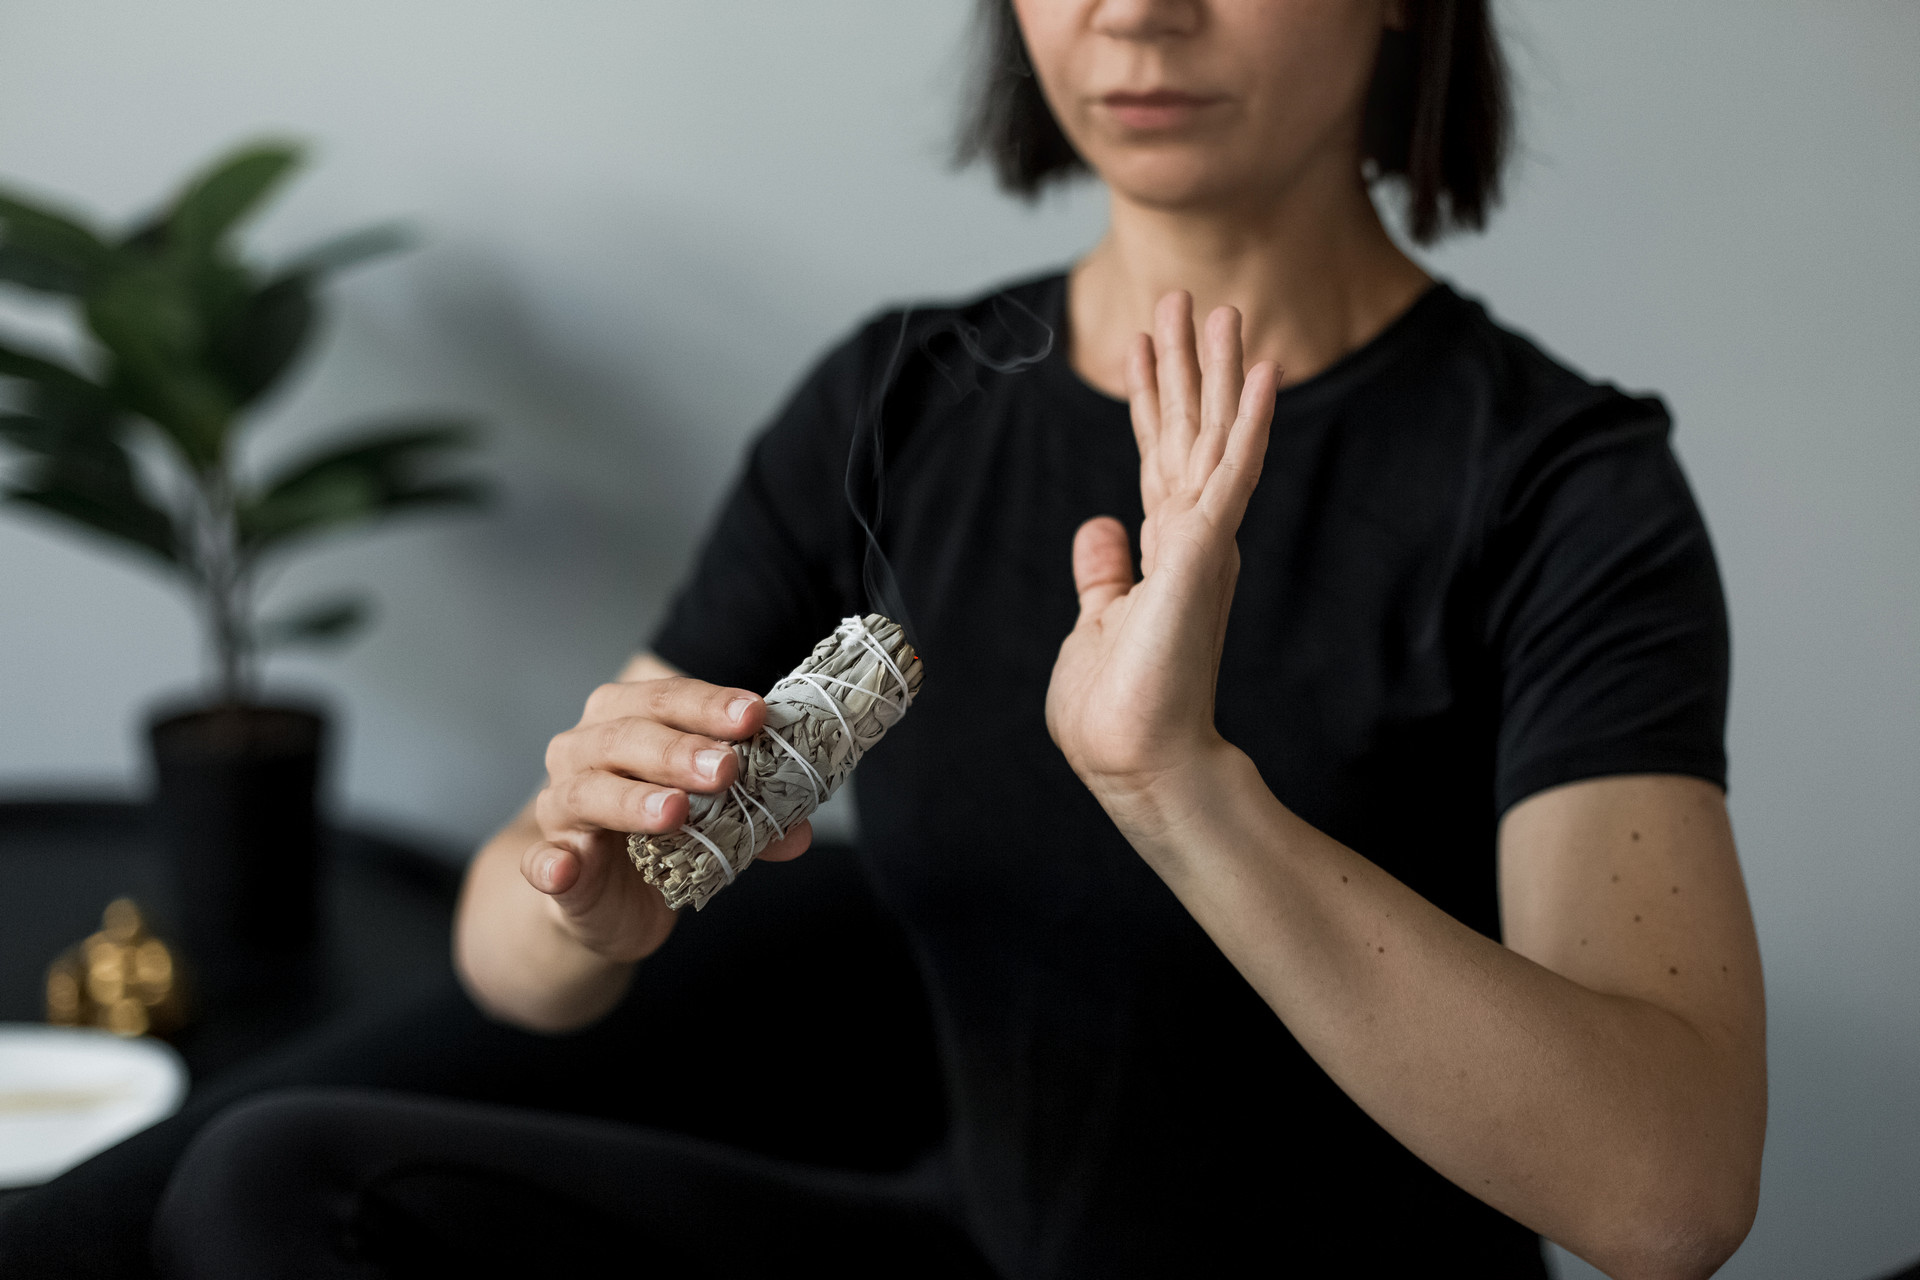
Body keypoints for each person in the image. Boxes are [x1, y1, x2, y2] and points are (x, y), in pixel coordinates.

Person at [12, 1, 1766, 1276]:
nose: (1135, 13)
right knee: (268, 1187)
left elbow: (1665, 1198)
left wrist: (1184, 790)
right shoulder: (907, 401)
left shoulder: (1558, 486)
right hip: (966, 1240)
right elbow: (509, 961)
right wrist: (580, 888)